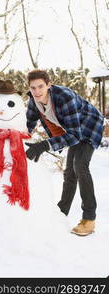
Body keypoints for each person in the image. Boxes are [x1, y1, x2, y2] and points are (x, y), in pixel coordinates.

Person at [25, 69, 104, 236]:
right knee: (69, 172)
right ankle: (61, 213)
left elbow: (75, 136)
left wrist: (43, 145)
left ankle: (89, 219)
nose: (37, 91)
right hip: (73, 130)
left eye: (40, 86)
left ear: (49, 85)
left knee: (80, 165)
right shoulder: (33, 101)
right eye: (33, 88)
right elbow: (28, 125)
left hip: (89, 125)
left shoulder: (64, 97)